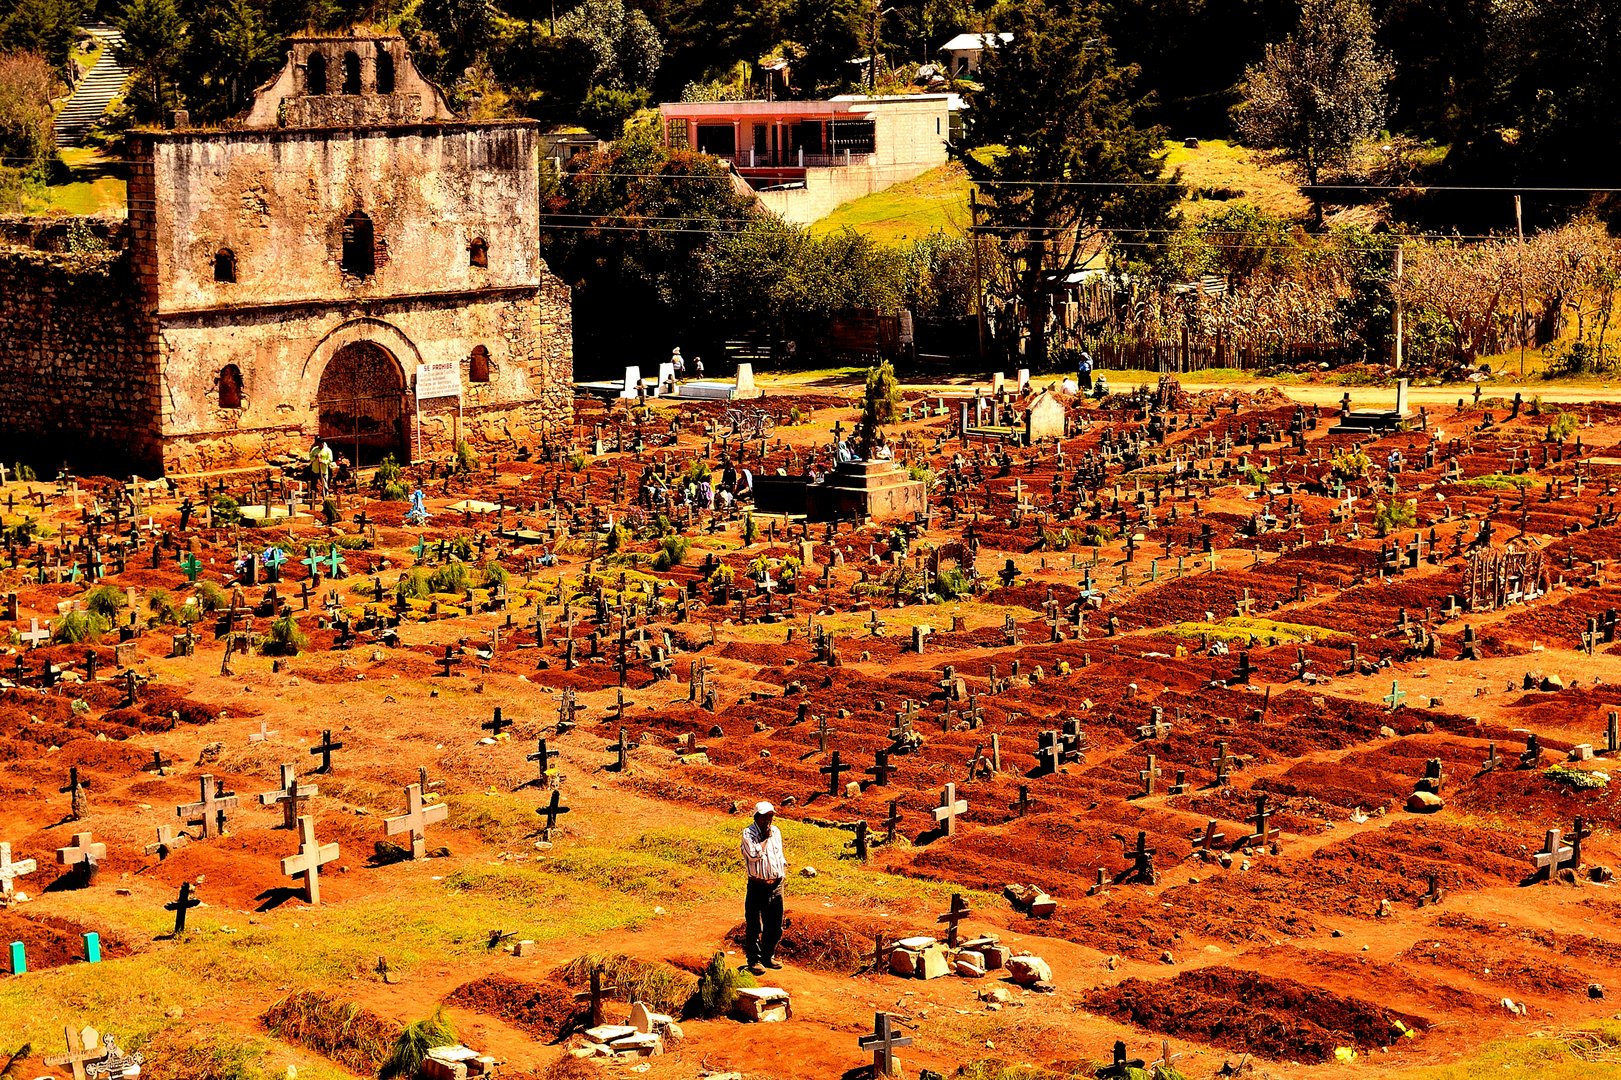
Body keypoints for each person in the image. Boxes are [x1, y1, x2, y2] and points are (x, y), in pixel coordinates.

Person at [740, 801, 786, 974]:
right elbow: (753, 855)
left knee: (775, 924)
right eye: (766, 816)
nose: (769, 819)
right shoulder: (748, 833)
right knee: (754, 924)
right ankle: (754, 960)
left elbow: (778, 855)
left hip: (776, 884)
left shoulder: (777, 832)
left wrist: (781, 873)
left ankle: (768, 956)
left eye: (771, 815)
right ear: (757, 817)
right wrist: (765, 837)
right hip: (757, 885)